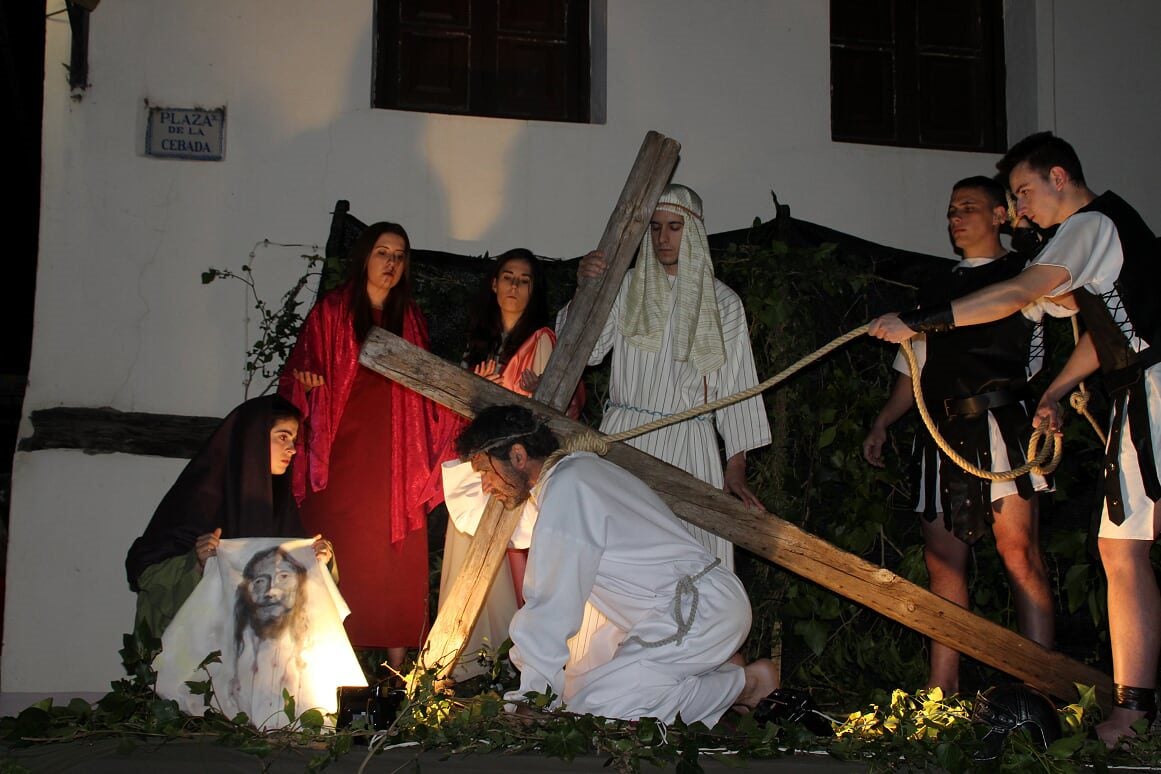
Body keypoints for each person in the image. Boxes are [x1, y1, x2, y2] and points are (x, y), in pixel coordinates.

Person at [868, 132, 1159, 746]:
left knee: (1119, 551)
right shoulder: (1105, 232)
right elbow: (1106, 331)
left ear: (1059, 177)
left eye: (1024, 192)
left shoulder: (1089, 223)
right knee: (1120, 549)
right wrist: (1056, 392)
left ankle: (1124, 711)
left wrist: (923, 321)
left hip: (1144, 393)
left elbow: (1021, 295)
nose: (1023, 208)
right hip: (1123, 392)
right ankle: (1130, 709)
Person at [455, 405, 779, 725]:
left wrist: (533, 698)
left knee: (597, 713)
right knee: (580, 693)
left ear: (518, 456)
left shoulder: (569, 488)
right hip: (689, 609)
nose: (485, 485)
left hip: (697, 609)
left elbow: (551, 602)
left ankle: (743, 686)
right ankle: (719, 672)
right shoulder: (578, 475)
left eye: (485, 470)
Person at [862, 176, 1054, 693]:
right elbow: (915, 369)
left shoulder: (1027, 276)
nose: (956, 217)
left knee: (1020, 553)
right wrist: (884, 420)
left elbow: (1049, 350)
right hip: (941, 434)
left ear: (999, 215)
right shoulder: (935, 288)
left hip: (1003, 428)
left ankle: (1041, 689)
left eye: (968, 207)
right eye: (950, 210)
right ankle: (941, 695)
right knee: (943, 564)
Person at [560, 183, 772, 570]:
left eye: (674, 226)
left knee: (690, 560)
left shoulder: (723, 303)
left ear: (693, 231)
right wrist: (587, 288)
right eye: (655, 227)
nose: (663, 237)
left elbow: (736, 386)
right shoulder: (625, 287)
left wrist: (736, 468)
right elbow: (586, 352)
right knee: (613, 559)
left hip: (690, 444)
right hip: (624, 437)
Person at [279, 221, 445, 670]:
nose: (391, 263)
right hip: (339, 455)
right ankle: (327, 664)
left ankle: (397, 669)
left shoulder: (408, 318)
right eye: (382, 253)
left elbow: (428, 386)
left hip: (395, 453)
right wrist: (308, 379)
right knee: (340, 548)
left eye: (399, 255)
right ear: (365, 258)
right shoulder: (332, 311)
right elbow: (299, 369)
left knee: (393, 553)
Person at [125, 394, 332, 639]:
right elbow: (148, 574)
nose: (291, 449)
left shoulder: (279, 504)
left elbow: (295, 584)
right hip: (197, 656)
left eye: (294, 440)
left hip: (257, 656)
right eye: (282, 436)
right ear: (251, 439)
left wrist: (320, 559)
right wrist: (197, 563)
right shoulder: (200, 497)